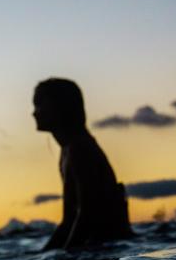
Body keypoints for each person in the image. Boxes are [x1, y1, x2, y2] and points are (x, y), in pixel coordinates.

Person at [33, 78, 133, 250]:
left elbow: (87, 215)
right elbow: (68, 220)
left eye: (40, 103)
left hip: (109, 247)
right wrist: (40, 258)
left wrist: (68, 255)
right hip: (104, 245)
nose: (34, 112)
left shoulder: (79, 150)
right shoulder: (69, 150)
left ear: (60, 106)